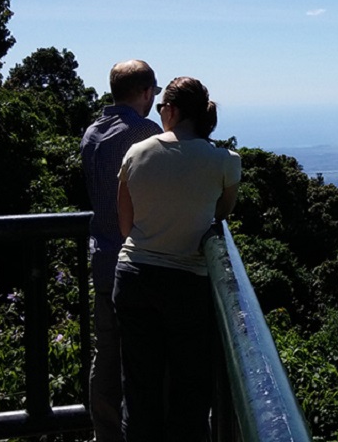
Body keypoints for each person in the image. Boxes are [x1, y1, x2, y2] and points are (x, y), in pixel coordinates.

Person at [113, 76, 241, 441]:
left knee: (139, 390)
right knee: (190, 391)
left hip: (134, 277)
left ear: (172, 110)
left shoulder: (136, 153)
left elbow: (125, 224)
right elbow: (221, 212)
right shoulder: (224, 161)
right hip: (188, 282)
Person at [80, 60, 163, 442]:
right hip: (135, 262)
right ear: (145, 92)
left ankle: (106, 434)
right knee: (146, 359)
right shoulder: (144, 131)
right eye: (153, 94)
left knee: (106, 352)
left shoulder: (92, 131)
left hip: (100, 255)